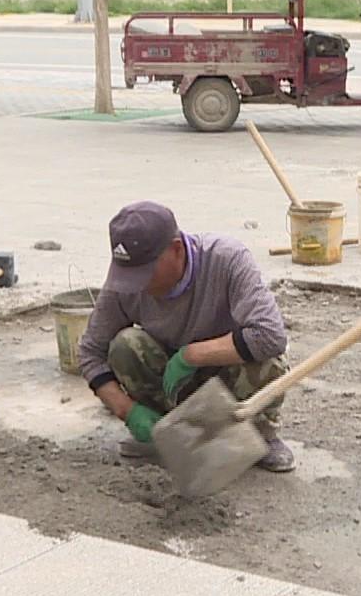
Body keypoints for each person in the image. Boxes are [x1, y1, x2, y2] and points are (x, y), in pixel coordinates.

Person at [76, 200, 296, 473]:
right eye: (130, 275)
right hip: (170, 386)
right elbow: (89, 353)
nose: (137, 285)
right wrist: (127, 410)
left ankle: (258, 435)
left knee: (269, 361)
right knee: (125, 346)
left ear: (177, 249)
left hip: (227, 377)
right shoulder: (124, 284)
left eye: (145, 273)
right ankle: (167, 434)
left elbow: (270, 335)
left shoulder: (226, 260)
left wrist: (192, 355)